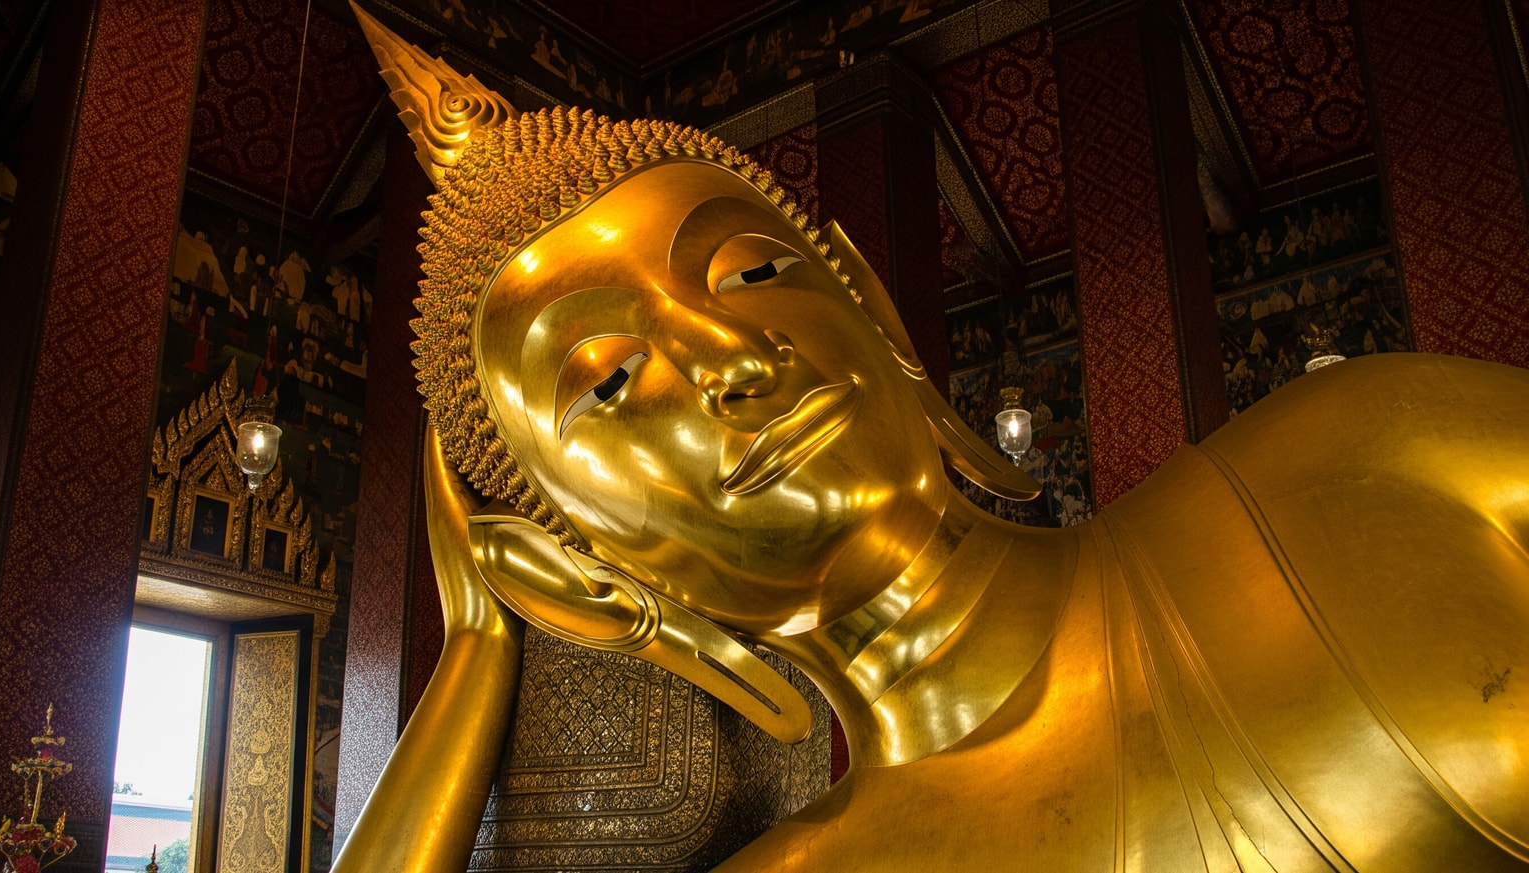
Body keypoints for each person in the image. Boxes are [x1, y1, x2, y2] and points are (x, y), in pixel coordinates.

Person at [336, 10, 1529, 872]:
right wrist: (479, 646)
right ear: (581, 573)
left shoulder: (1361, 449)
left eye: (749, 271)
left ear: (870, 302)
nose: (731, 357)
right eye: (605, 380)